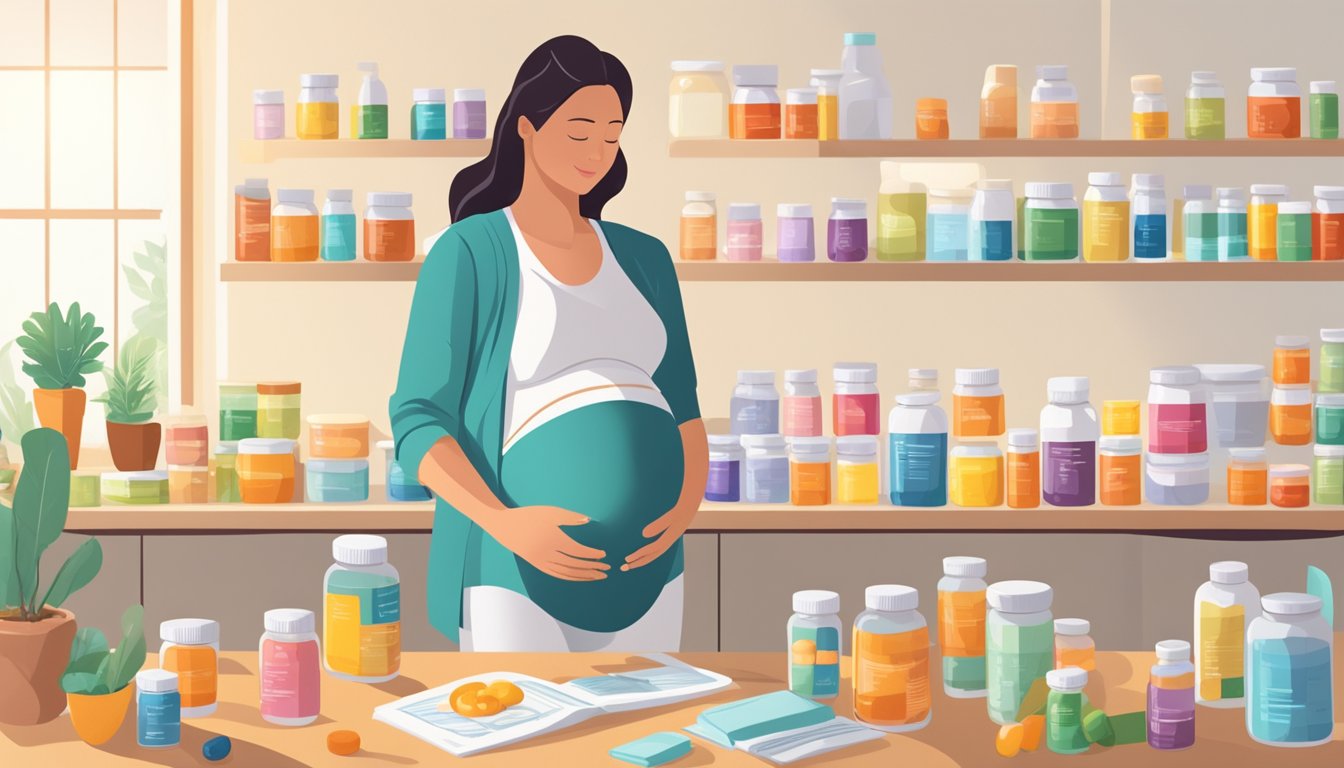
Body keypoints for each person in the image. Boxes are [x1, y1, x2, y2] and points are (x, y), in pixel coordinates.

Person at [390, 35, 706, 652]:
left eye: (612, 133)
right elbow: (417, 422)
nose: (597, 151)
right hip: (513, 570)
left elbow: (683, 404)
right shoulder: (472, 253)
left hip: (653, 570)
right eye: (579, 130)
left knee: (646, 741)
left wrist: (685, 506)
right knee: (523, 738)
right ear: (528, 128)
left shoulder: (646, 258)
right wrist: (507, 525)